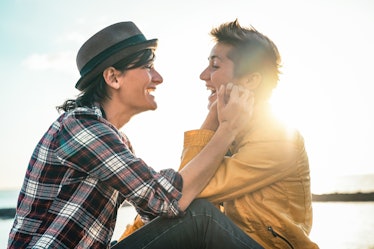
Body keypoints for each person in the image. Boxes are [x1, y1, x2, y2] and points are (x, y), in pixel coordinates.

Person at [7, 21, 263, 249]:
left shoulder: (115, 139)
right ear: (113, 77)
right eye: (148, 67)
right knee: (201, 218)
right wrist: (228, 128)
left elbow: (155, 211)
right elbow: (166, 200)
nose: (158, 78)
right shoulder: (81, 128)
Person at [120, 20, 319, 249]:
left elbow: (183, 194)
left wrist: (214, 118)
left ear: (251, 80)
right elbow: (175, 196)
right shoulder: (230, 133)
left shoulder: (278, 139)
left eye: (215, 66)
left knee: (200, 215)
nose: (203, 75)